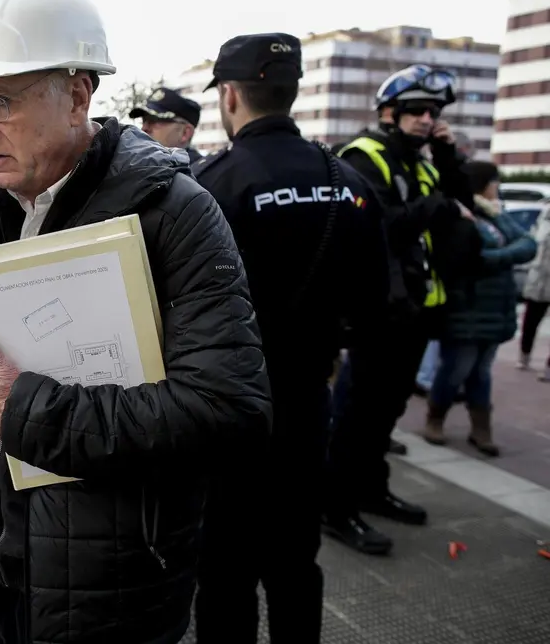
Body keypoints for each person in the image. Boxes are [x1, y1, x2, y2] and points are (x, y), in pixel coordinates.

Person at [0, 0, 272, 644]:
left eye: (0, 102)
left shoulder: (174, 213)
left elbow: (227, 408)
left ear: (75, 95)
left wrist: (27, 413)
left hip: (109, 583)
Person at [190, 33, 390, 644]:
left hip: (228, 408)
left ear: (230, 95)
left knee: (224, 568)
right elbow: (377, 306)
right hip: (308, 400)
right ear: (293, 90)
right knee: (296, 560)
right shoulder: (349, 181)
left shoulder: (212, 183)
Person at [323, 64, 473, 555]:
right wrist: (441, 207)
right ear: (389, 113)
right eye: (418, 112)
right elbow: (383, 226)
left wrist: (449, 156)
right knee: (355, 414)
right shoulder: (363, 157)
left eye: (434, 112)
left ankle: (371, 489)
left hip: (415, 310)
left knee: (385, 412)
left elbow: (459, 202)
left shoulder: (423, 161)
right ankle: (335, 507)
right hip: (376, 313)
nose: (428, 120)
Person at [423, 162, 536, 454]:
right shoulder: (457, 213)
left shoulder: (494, 213)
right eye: (494, 181)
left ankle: (481, 428)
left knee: (482, 370)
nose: (496, 187)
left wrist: (498, 256)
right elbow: (471, 258)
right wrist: (504, 257)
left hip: (496, 307)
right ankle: (435, 418)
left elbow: (528, 244)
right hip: (466, 306)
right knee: (456, 368)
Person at [519, 205, 550, 381]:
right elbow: (533, 242)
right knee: (530, 320)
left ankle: (549, 367)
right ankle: (524, 354)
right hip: (538, 277)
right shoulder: (544, 216)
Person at [129, 87, 202, 160]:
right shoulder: (137, 165)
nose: (144, 128)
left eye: (154, 120)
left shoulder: (200, 170)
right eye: (143, 121)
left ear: (185, 133)